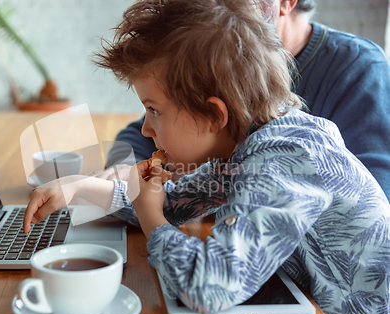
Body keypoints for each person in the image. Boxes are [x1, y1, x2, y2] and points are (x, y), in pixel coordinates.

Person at [24, 0, 390, 314]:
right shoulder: (246, 147)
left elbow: (209, 287)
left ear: (213, 114)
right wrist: (79, 188)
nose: (147, 128)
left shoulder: (282, 161)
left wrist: (153, 219)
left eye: (154, 110)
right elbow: (167, 203)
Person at [101, 0, 390, 200]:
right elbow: (144, 133)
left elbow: (376, 193)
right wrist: (125, 177)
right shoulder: (212, 60)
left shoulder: (360, 69)